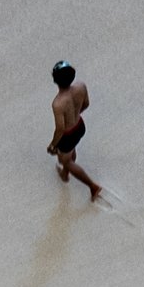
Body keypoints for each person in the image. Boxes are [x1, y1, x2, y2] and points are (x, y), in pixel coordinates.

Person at [49, 60, 101, 198]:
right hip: (80, 126)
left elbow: (60, 129)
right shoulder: (81, 86)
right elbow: (86, 104)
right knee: (71, 150)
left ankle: (93, 186)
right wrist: (76, 115)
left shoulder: (58, 104)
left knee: (65, 160)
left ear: (55, 80)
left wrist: (53, 145)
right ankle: (65, 174)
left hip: (67, 135)